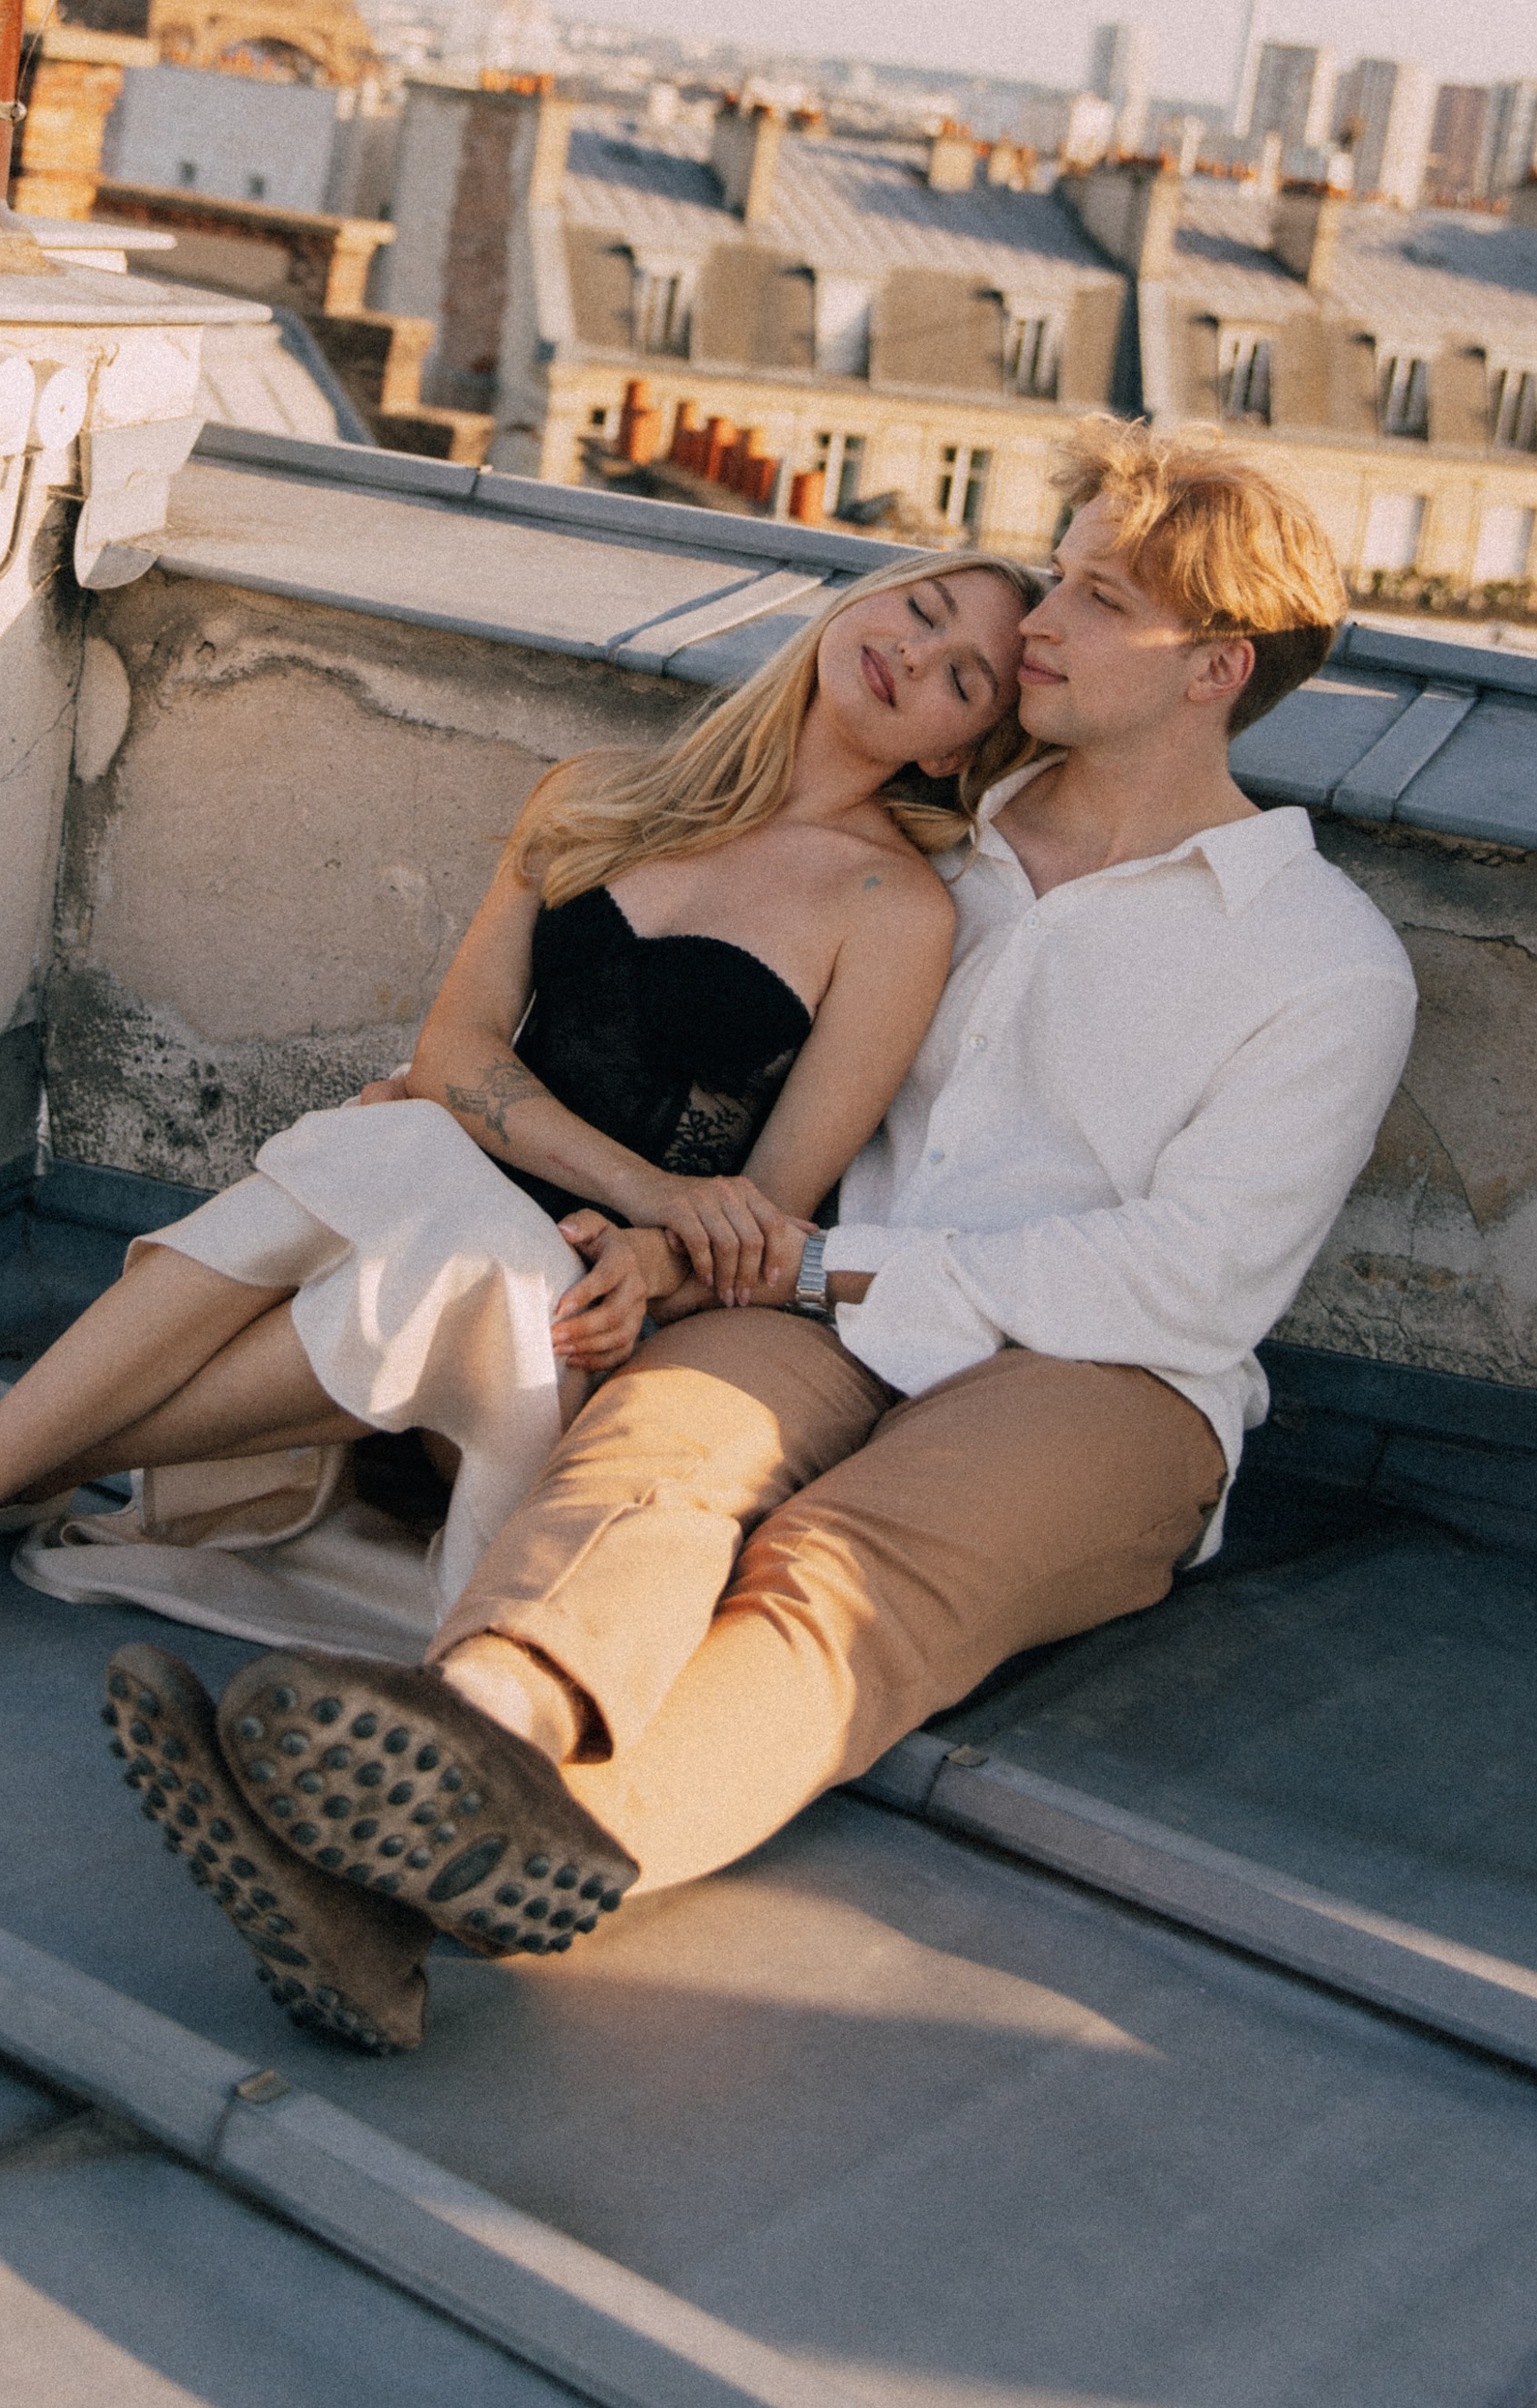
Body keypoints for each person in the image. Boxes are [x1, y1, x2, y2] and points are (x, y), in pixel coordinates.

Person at [102, 421, 1420, 2056]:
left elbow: (1194, 1277)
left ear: (1214, 664)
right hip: (812, 1294)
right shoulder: (941, 835)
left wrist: (807, 1267)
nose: (1039, 625)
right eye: (1057, 575)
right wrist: (598, 1192)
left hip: (1106, 1375)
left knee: (841, 1581)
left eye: (1094, 595)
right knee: (646, 1460)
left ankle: (438, 1876)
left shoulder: (1321, 961)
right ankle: (472, 1721)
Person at [0, 544, 1039, 1662]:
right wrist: (632, 1179)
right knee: (409, 1148)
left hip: (576, 1306)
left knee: (418, 1170)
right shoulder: (596, 794)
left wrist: (656, 1230)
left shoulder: (894, 908)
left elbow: (770, 1203)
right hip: (438, 1189)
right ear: (864, 599)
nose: (915, 652)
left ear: (952, 751)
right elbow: (456, 1044)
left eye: (963, 675)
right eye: (919, 609)